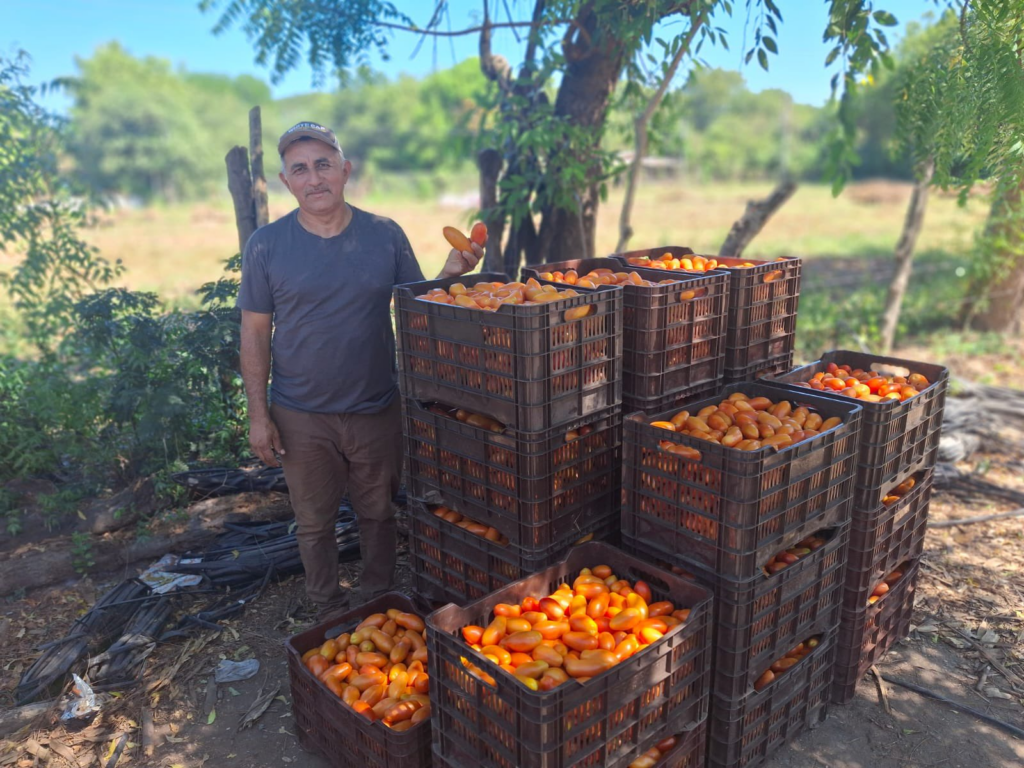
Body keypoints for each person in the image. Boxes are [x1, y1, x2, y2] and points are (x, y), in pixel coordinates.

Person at [237, 121, 481, 614]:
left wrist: (450, 275)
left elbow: (416, 307)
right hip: (301, 413)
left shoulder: (384, 235)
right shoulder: (266, 245)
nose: (314, 178)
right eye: (300, 169)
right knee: (313, 523)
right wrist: (258, 415)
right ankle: (326, 605)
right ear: (286, 181)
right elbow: (255, 332)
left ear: (345, 170)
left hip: (375, 406)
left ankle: (379, 601)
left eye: (323, 164)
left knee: (378, 513)